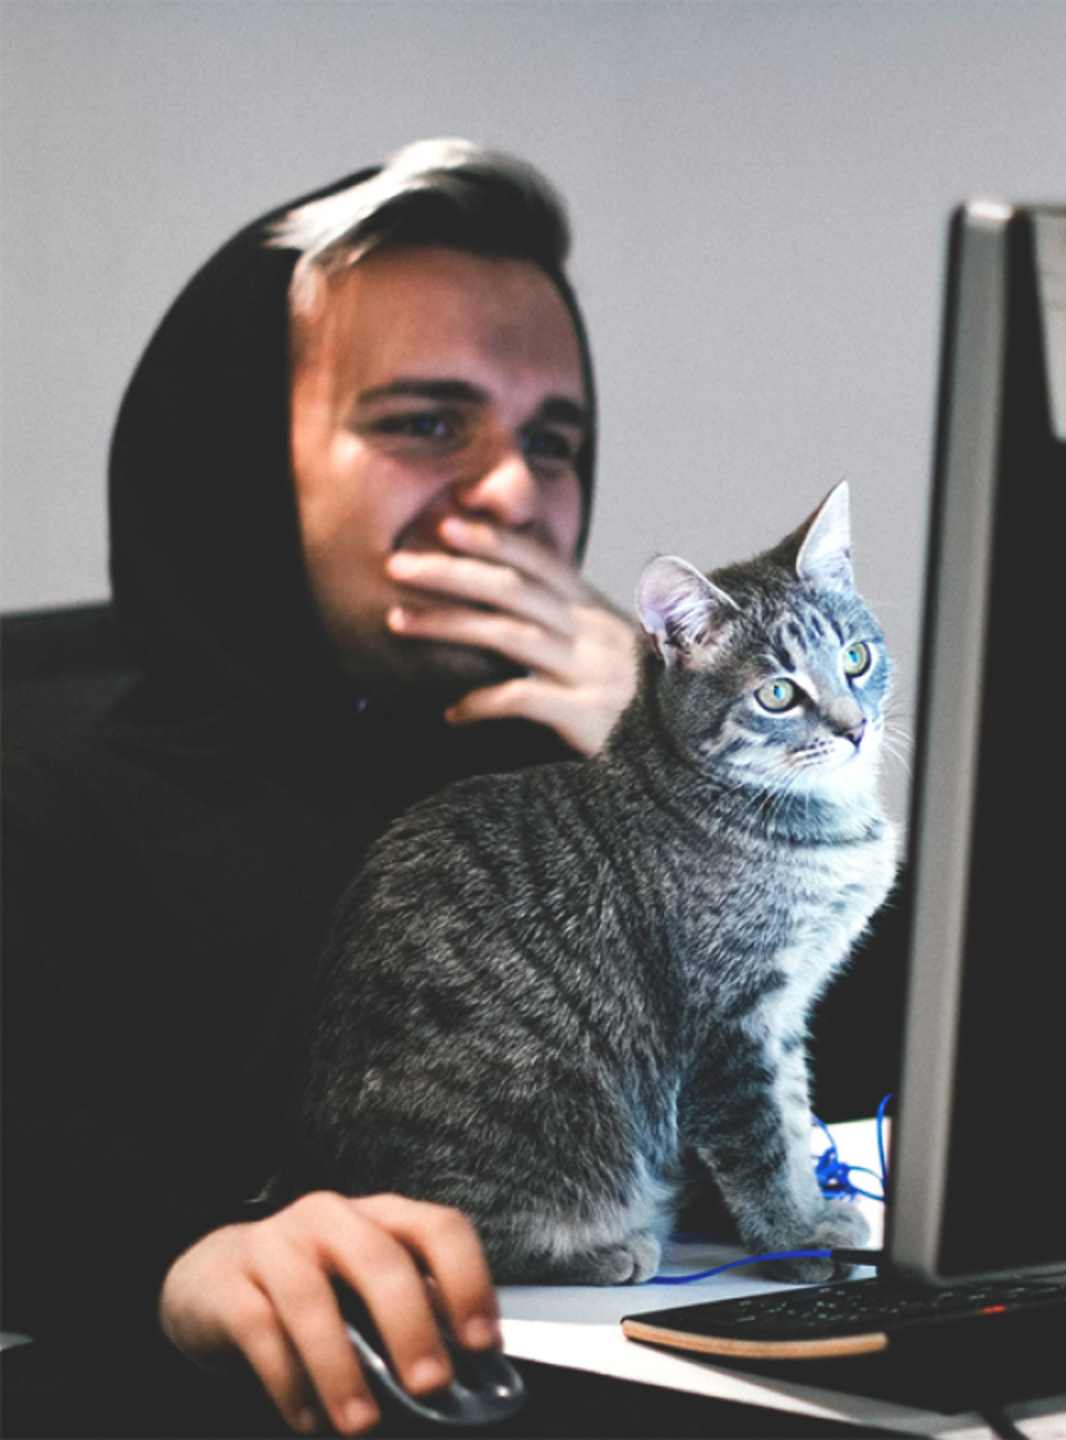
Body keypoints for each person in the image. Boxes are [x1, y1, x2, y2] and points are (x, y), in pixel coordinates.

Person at [2, 138, 638, 1437]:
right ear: (245, 461)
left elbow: (895, 1130)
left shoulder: (586, 775)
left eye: (553, 440)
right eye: (427, 424)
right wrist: (173, 1264)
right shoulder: (45, 796)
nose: (517, 493)